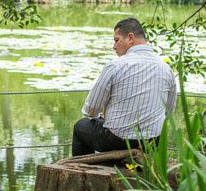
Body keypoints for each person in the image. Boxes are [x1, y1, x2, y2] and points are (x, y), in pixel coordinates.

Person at [72, 17, 177, 156]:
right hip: (151, 142)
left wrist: (101, 117)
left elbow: (91, 109)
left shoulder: (116, 66)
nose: (114, 46)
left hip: (118, 140)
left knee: (80, 127)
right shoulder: (166, 69)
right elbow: (168, 111)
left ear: (130, 38)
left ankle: (82, 168)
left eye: (116, 40)